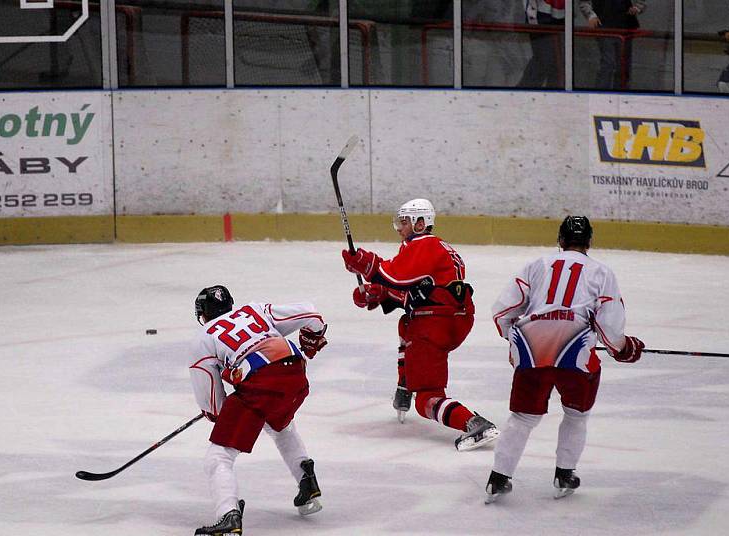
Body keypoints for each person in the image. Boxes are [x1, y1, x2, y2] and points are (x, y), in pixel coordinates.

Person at [484, 216, 644, 502]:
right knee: (576, 414)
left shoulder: (536, 265)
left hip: (532, 345)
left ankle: (498, 479)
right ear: (589, 242)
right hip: (576, 349)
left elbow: (502, 312)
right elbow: (609, 327)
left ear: (560, 240)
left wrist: (515, 341)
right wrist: (623, 348)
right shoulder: (602, 272)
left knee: (522, 417)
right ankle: (565, 473)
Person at [341, 198, 499, 451]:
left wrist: (366, 263)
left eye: (405, 222)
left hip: (434, 322)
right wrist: (378, 293)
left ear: (421, 223)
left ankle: (474, 423)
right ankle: (405, 385)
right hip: (450, 317)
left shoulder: (425, 244)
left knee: (427, 397)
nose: (400, 228)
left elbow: (397, 275)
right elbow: (417, 289)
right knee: (406, 324)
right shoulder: (439, 247)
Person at [188, 285, 329, 535]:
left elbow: (212, 403)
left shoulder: (204, 337)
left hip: (262, 384)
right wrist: (312, 339)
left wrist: (220, 414)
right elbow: (311, 313)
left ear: (204, 314)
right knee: (280, 424)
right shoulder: (254, 310)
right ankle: (306, 481)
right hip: (296, 374)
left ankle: (228, 515)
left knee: (219, 456)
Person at [579, 0, 647, 89]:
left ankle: (621, 94)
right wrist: (591, 16)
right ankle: (601, 95)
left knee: (622, 66)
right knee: (608, 64)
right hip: (605, 26)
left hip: (625, 26)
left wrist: (637, 7)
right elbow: (584, 2)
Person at [517, 0, 565, 88]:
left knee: (558, 64)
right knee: (544, 60)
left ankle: (553, 96)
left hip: (562, 20)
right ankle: (523, 94)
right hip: (540, 20)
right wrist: (533, 21)